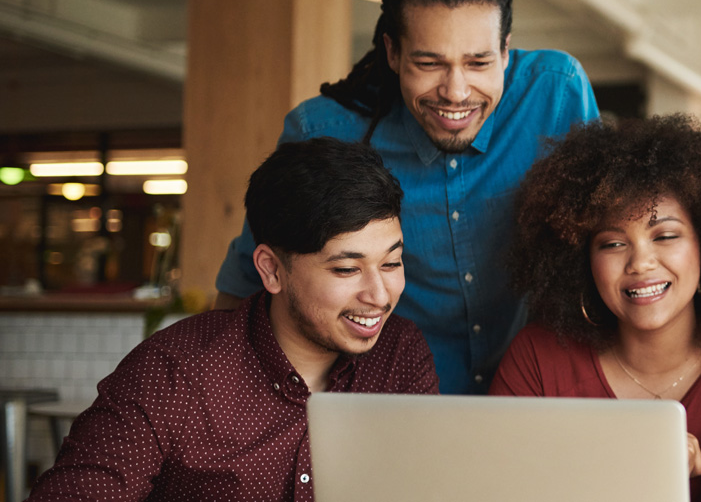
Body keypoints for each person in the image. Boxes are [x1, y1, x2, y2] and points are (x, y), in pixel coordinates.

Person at [213, 0, 600, 394]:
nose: (456, 92)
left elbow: (601, 245)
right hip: (388, 401)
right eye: (429, 63)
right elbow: (247, 285)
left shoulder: (556, 93)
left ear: (506, 51)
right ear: (393, 52)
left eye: (479, 62)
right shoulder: (324, 131)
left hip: (538, 394)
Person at [28, 138, 437, 502]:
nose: (379, 296)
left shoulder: (399, 355)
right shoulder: (173, 373)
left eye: (392, 263)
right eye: (347, 270)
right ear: (272, 270)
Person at [491, 116, 701, 502]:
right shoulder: (537, 357)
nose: (640, 263)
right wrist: (640, 460)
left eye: (665, 236)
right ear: (582, 260)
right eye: (612, 244)